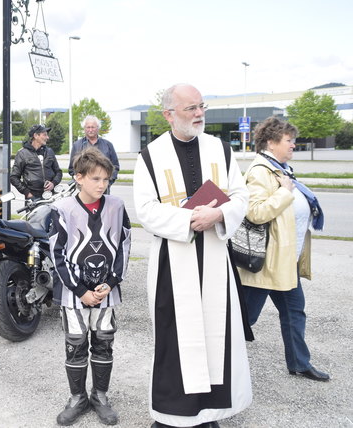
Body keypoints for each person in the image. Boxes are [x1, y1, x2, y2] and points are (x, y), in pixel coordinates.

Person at [133, 84, 252, 428]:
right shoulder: (150, 156)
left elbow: (241, 196)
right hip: (175, 261)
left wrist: (219, 215)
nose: (199, 114)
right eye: (191, 108)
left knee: (215, 335)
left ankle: (209, 413)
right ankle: (172, 415)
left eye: (202, 107)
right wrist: (189, 219)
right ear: (169, 114)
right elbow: (145, 210)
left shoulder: (221, 149)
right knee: (176, 338)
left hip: (215, 255)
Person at [238, 116, 329, 382]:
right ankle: (216, 361)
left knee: (294, 311)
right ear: (271, 142)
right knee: (243, 320)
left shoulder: (281, 169)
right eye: (288, 140)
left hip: (284, 262)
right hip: (266, 264)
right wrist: (284, 192)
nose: (293, 145)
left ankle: (300, 363)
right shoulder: (260, 172)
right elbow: (255, 213)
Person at [49, 147, 131, 426]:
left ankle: (100, 396)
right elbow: (57, 254)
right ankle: (77, 398)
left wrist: (111, 282)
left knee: (104, 341)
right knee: (75, 344)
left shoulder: (117, 207)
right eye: (96, 179)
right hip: (75, 293)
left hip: (106, 291)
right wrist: (80, 290)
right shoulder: (62, 209)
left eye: (106, 179)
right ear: (79, 177)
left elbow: (124, 246)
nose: (102, 185)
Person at [9, 124, 63, 200]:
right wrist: (27, 193)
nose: (47, 137)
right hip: (33, 198)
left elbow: (58, 172)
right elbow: (13, 177)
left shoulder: (50, 151)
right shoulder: (22, 153)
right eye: (44, 135)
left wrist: (53, 183)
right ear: (36, 136)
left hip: (51, 196)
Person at [68, 115, 120, 193]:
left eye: (93, 127)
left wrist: (108, 181)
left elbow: (115, 166)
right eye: (88, 127)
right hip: (85, 190)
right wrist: (80, 182)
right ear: (84, 129)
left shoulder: (108, 145)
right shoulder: (77, 145)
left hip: (103, 189)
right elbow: (72, 169)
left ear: (98, 128)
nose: (90, 130)